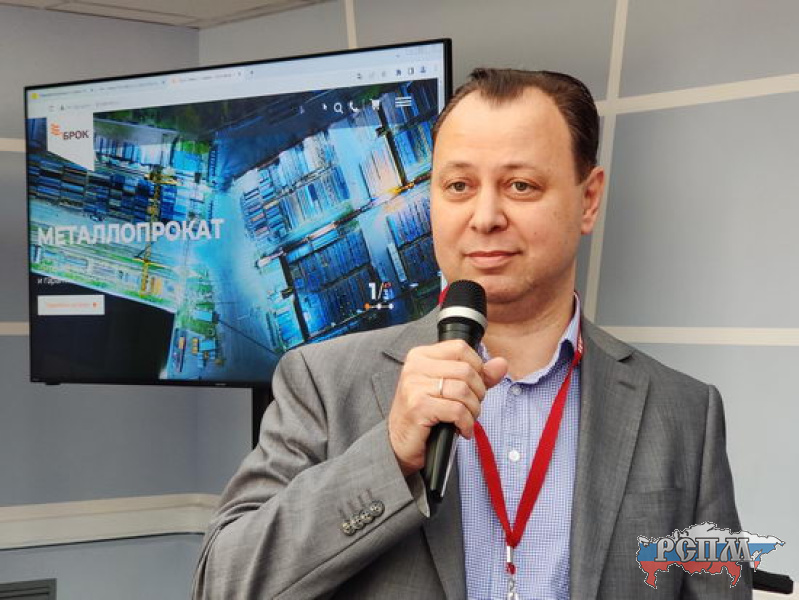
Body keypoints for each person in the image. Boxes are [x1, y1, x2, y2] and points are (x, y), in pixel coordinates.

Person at [193, 68, 751, 599]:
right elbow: (223, 585)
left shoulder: (684, 413)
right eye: (458, 185)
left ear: (588, 199)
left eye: (521, 186)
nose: (485, 217)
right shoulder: (323, 382)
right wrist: (389, 456)